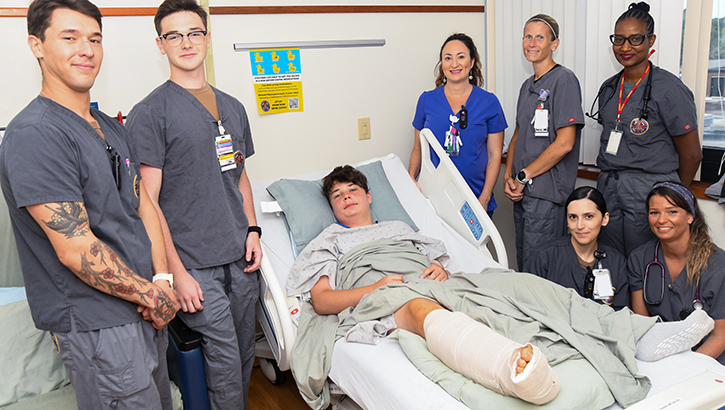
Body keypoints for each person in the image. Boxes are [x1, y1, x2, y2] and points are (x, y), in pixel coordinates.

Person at [287, 165, 713, 409]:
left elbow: (440, 262)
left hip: (437, 281)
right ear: (332, 206)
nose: (347, 198)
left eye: (353, 190)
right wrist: (378, 284)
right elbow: (322, 301)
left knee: (523, 285)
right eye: (338, 195)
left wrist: (435, 265)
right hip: (382, 295)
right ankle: (512, 370)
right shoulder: (329, 242)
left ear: (368, 195)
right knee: (419, 309)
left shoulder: (401, 227)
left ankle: (640, 335)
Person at [0, 0, 179, 408]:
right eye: (70, 37)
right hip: (100, 324)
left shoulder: (111, 128)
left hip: (144, 307)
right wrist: (151, 296)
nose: (86, 49)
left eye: (95, 38)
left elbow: (143, 205)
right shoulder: (36, 134)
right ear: (37, 45)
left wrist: (163, 281)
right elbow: (76, 248)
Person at [125, 0, 261, 408]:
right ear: (160, 44)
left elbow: (239, 176)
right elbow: (146, 201)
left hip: (238, 257)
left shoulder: (233, 107)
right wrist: (175, 274)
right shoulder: (151, 112)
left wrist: (252, 229)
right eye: (174, 35)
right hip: (194, 265)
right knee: (221, 363)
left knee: (243, 356)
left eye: (194, 32)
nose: (186, 42)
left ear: (207, 37)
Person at [592, 2, 702, 256]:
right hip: (609, 186)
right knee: (610, 258)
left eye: (635, 39)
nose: (626, 47)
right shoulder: (609, 88)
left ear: (651, 40)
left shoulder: (670, 89)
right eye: (619, 39)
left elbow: (692, 155)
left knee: (647, 259)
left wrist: (673, 198)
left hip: (650, 189)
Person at [503, 14, 584, 271]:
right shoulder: (528, 85)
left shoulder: (564, 81)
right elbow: (518, 134)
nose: (532, 42)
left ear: (554, 43)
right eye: (528, 36)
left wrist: (524, 176)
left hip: (545, 192)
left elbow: (565, 144)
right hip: (523, 190)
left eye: (540, 37)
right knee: (525, 262)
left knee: (541, 269)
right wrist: (508, 176)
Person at [409, 33, 507, 215]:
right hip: (433, 197)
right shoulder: (426, 100)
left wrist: (485, 197)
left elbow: (495, 155)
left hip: (475, 197)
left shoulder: (489, 103)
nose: (454, 64)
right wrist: (410, 181)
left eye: (461, 57)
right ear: (442, 64)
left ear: (471, 62)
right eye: (448, 58)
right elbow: (418, 148)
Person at [628, 182, 725, 364]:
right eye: (654, 212)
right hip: (659, 353)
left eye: (672, 211)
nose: (661, 220)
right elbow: (642, 323)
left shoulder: (719, 265)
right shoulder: (640, 258)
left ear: (690, 216)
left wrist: (683, 368)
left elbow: (720, 336)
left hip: (706, 358)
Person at [530, 187, 630, 310]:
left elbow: (621, 314)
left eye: (588, 216)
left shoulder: (617, 262)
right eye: (573, 217)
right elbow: (530, 307)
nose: (579, 226)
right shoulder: (546, 257)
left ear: (605, 219)